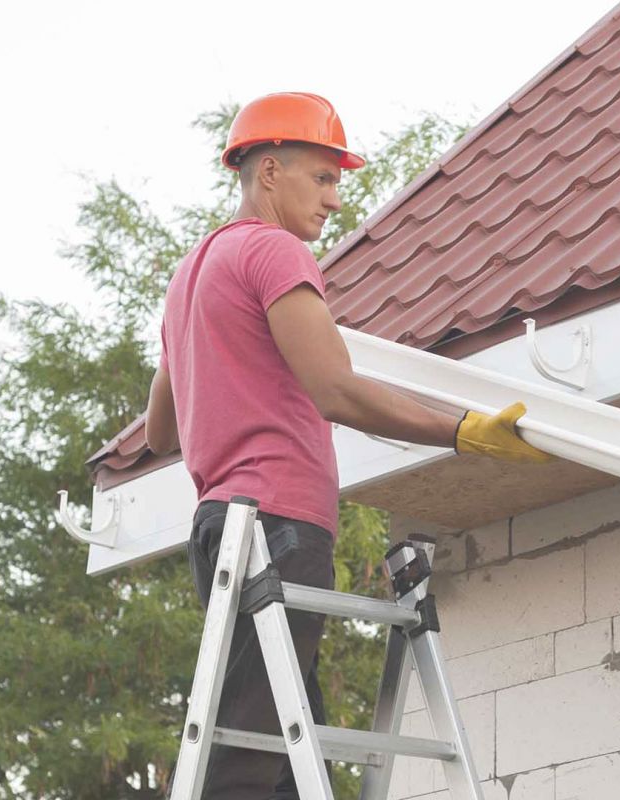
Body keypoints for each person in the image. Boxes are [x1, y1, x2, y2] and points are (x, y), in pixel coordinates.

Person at [142, 91, 551, 799]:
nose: (335, 200)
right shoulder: (273, 252)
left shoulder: (192, 273)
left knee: (286, 767)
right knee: (243, 766)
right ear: (269, 171)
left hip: (221, 529)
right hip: (279, 528)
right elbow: (337, 391)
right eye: (323, 178)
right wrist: (460, 429)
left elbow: (158, 433)